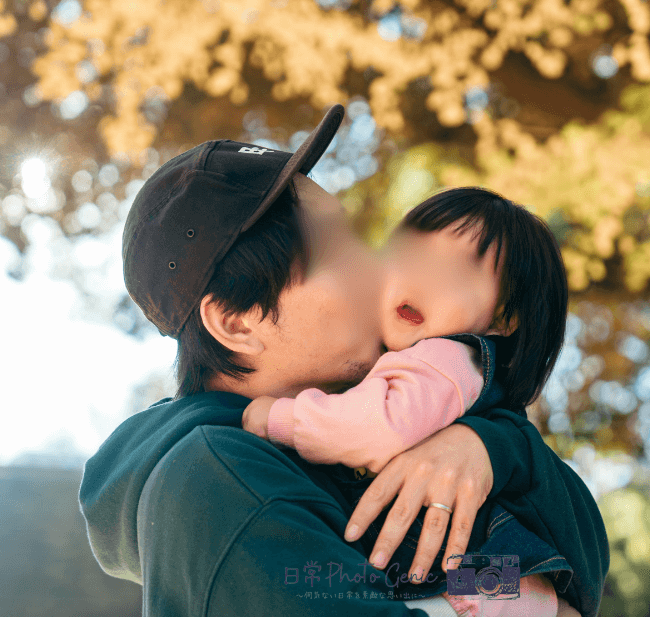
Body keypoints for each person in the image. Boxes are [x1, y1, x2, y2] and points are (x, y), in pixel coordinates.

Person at [79, 105, 608, 616]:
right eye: (337, 250)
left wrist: (494, 449)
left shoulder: (365, 431)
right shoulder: (219, 481)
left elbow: (581, 565)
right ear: (238, 322)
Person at [241, 187, 572, 616]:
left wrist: (280, 418)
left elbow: (381, 426)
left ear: (503, 319)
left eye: (453, 273)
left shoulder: (444, 359)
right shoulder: (411, 361)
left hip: (481, 586)